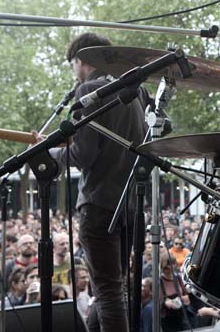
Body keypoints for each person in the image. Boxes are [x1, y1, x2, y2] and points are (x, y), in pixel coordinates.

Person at [45, 32, 148, 332]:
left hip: (99, 205)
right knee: (113, 288)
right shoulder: (136, 93)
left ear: (81, 60)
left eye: (72, 65)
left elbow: (83, 155)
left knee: (107, 291)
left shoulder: (90, 90)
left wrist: (50, 152)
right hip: (128, 206)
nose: (73, 73)